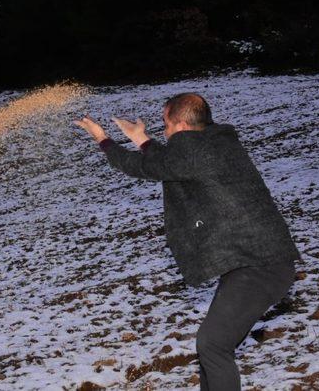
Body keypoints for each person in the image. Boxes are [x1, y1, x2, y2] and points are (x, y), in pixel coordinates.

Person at [73, 92, 302, 390]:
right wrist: (141, 139)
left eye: (165, 123)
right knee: (212, 347)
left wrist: (103, 139)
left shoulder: (193, 154)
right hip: (256, 261)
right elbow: (174, 162)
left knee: (212, 345)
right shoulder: (217, 142)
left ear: (179, 125)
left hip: (260, 266)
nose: (164, 130)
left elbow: (145, 167)